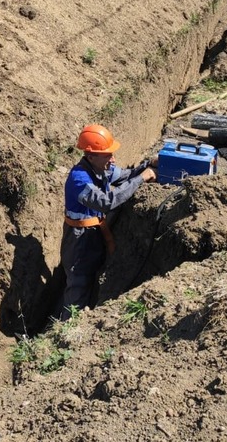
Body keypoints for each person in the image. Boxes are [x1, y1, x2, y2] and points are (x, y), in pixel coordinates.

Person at [59, 124, 157, 319]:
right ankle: (65, 328)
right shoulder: (79, 179)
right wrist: (141, 179)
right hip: (79, 241)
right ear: (91, 155)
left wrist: (148, 164)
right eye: (108, 155)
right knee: (78, 284)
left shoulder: (102, 168)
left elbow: (126, 175)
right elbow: (106, 202)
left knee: (94, 277)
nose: (113, 159)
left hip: (94, 233)